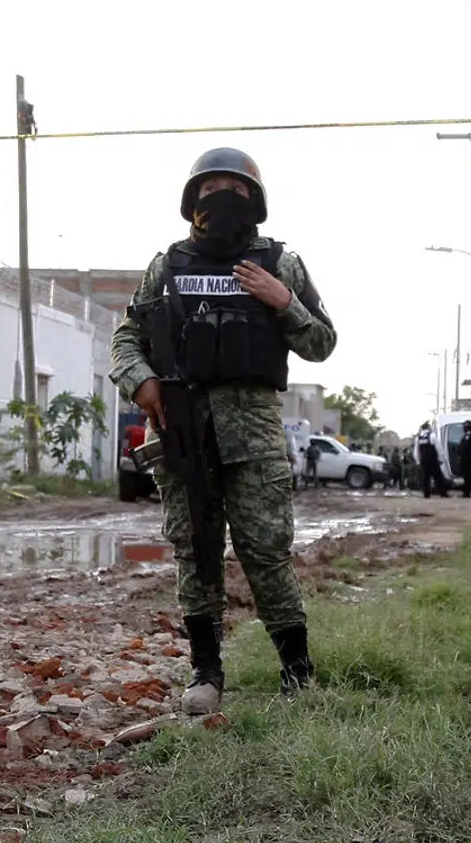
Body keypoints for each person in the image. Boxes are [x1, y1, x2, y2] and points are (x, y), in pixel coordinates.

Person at [109, 146, 336, 716]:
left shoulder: (280, 263)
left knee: (266, 553)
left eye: (234, 191)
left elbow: (322, 344)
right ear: (193, 203)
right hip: (183, 429)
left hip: (254, 436)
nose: (223, 200)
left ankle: (297, 671)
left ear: (254, 202)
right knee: (196, 553)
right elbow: (125, 340)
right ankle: (206, 673)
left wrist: (284, 303)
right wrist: (142, 383)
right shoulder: (167, 267)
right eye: (211, 192)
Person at [415, 421, 450, 497]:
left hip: (424, 461)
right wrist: (441, 459)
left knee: (425, 478)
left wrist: (418, 461)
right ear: (428, 427)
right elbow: (439, 448)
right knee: (438, 477)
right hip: (433, 460)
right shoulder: (432, 436)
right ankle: (443, 493)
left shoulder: (418, 438)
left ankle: (426, 494)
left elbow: (416, 451)